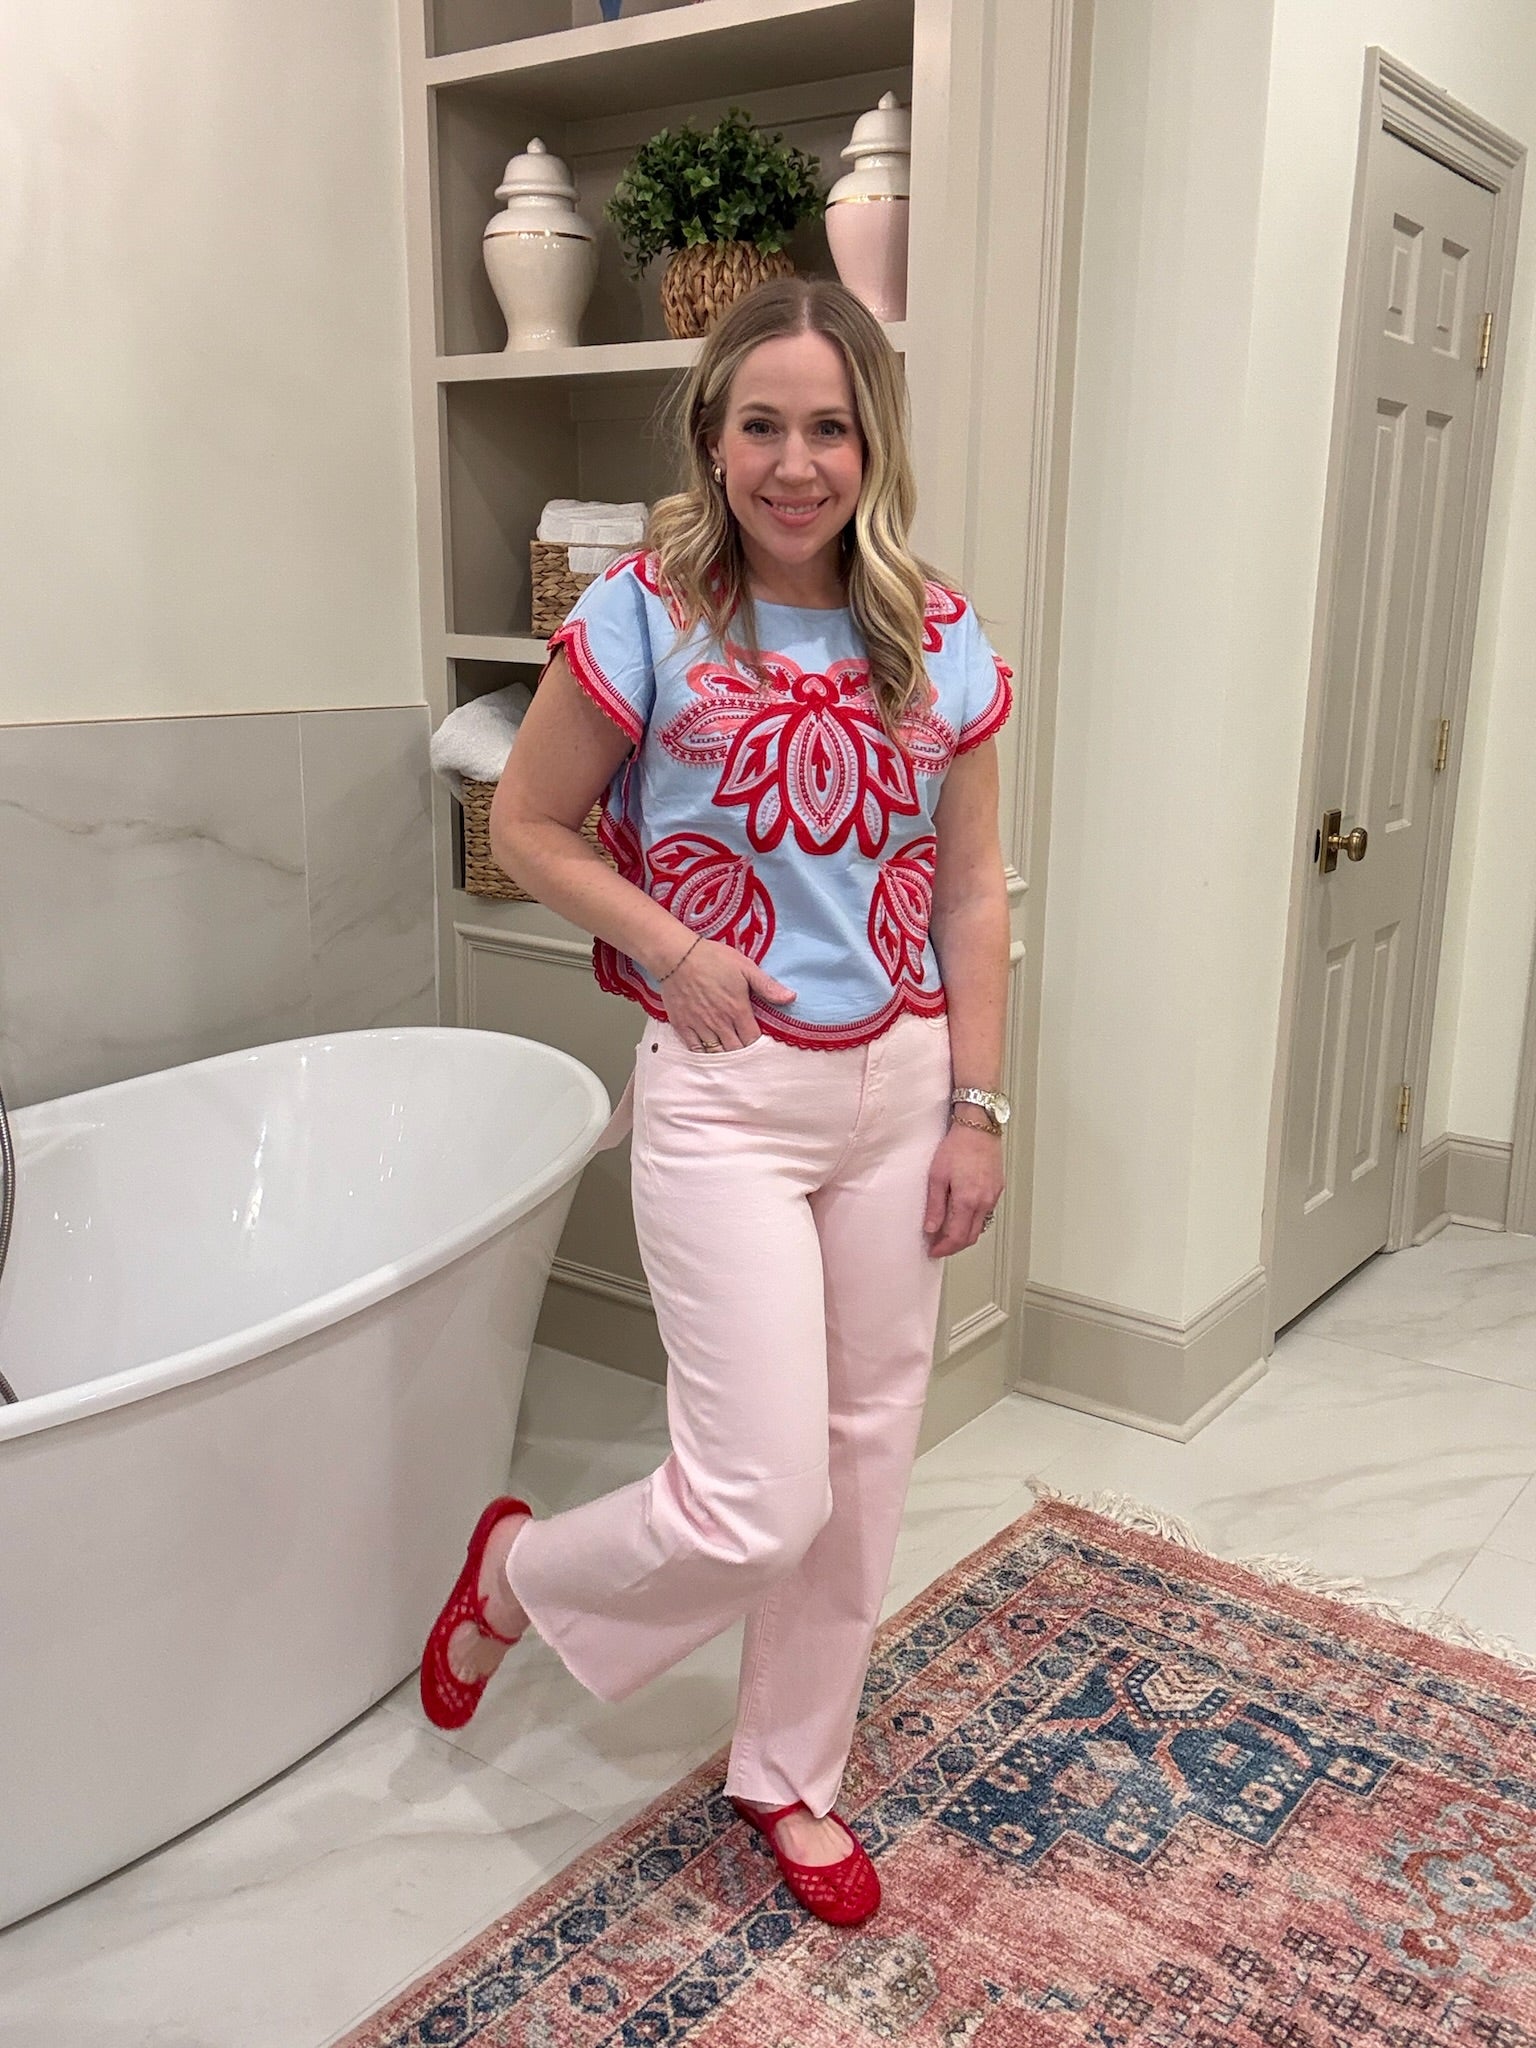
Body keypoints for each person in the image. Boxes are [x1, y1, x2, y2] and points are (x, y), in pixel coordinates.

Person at [419, 275, 1013, 1928]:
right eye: (764, 425)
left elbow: (974, 889)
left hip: (903, 1087)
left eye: (831, 427)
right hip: (729, 1099)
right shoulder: (640, 617)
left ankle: (790, 1773)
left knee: (866, 1456)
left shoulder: (941, 634)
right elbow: (528, 825)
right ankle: (518, 1573)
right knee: (760, 1495)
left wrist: (979, 1108)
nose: (796, 463)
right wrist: (672, 948)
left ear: (874, 444)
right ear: (713, 436)